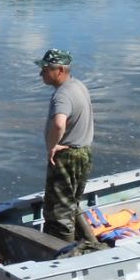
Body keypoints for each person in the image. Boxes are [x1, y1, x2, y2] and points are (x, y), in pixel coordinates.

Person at [36, 49, 93, 243]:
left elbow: (59, 123)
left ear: (59, 70)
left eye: (45, 69)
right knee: (72, 204)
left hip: (66, 157)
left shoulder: (62, 95)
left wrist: (52, 146)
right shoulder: (79, 86)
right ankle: (91, 243)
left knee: (58, 212)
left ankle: (63, 255)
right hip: (84, 153)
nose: (41, 73)